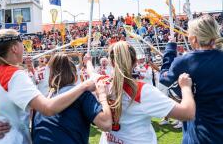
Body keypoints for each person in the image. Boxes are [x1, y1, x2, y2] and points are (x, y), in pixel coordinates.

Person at [0, 29, 96, 144]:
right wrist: (84, 86)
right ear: (14, 48)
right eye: (22, 44)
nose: (24, 48)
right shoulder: (13, 75)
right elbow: (48, 108)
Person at [85, 41, 195, 144]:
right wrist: (185, 87)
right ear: (134, 62)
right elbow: (187, 113)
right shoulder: (142, 91)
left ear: (111, 62)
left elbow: (91, 73)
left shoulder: (102, 83)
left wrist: (88, 61)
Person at [159, 15, 223, 143]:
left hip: (199, 134)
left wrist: (170, 49)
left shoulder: (184, 62)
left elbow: (164, 77)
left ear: (194, 39)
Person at [33, 53, 112, 144]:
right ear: (75, 76)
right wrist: (102, 95)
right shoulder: (82, 95)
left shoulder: (43, 103)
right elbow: (106, 124)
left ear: (50, 76)